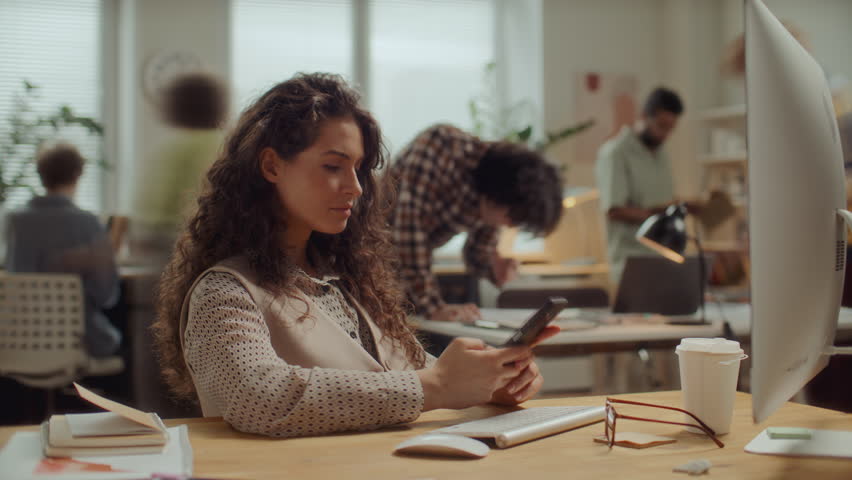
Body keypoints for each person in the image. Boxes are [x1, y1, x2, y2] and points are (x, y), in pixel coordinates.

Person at [152, 73, 559, 438]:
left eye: (359, 170)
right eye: (333, 166)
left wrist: (487, 382)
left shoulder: (346, 285)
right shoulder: (223, 292)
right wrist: (435, 386)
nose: (357, 188)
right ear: (272, 165)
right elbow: (259, 396)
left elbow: (416, 372)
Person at [388, 125, 563, 322]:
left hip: (398, 269)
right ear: (500, 195)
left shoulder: (493, 200)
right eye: (513, 218)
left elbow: (475, 255)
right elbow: (410, 233)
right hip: (364, 244)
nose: (510, 225)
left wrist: (494, 268)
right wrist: (434, 307)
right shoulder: (442, 147)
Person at [5, 143, 121, 357]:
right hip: (78, 339)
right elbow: (107, 296)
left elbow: (14, 282)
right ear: (77, 174)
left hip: (18, 339)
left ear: (41, 175)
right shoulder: (88, 223)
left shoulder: (16, 221)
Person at [132, 72, 229, 263]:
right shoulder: (226, 145)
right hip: (211, 246)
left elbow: (152, 210)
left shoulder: (169, 148)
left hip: (165, 248)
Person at [595, 87, 685, 285]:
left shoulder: (661, 154)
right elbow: (614, 210)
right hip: (631, 261)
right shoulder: (616, 153)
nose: (665, 134)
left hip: (665, 257)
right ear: (644, 116)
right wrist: (659, 215)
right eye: (661, 126)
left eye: (671, 128)